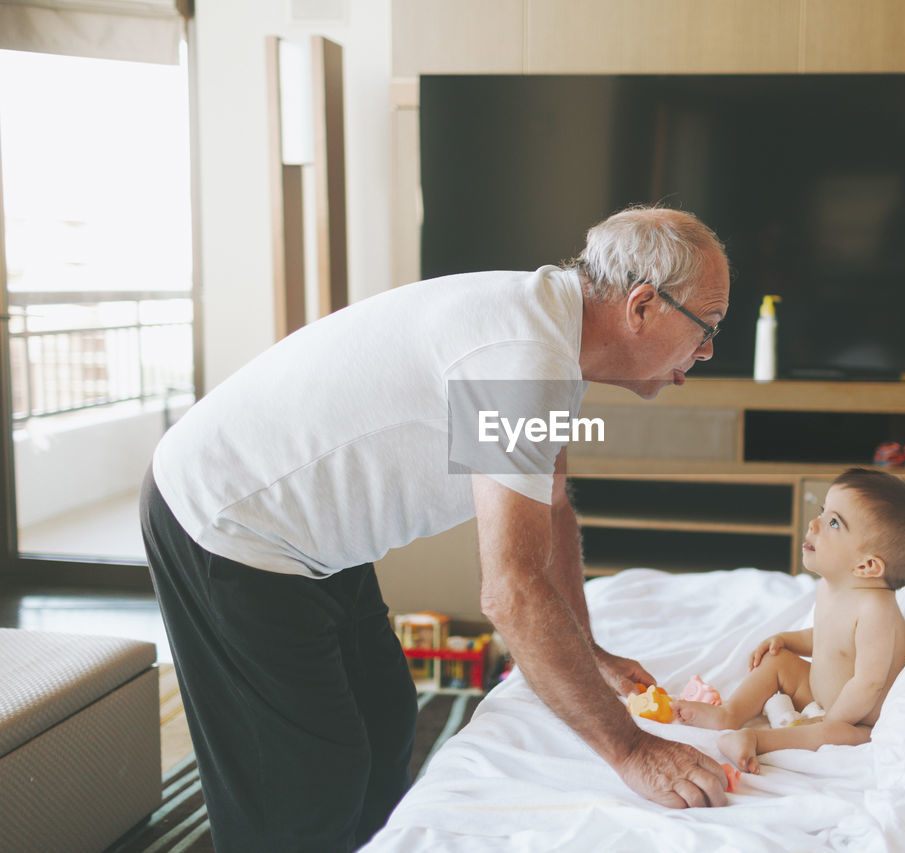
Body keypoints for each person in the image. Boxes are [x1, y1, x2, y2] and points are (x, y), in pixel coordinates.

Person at [139, 206, 732, 852]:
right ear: (642, 306)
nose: (705, 351)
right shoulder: (522, 358)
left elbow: (553, 506)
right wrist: (632, 748)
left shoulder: (554, 337)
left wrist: (588, 649)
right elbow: (511, 590)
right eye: (707, 327)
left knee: (387, 715)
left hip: (311, 537)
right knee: (304, 788)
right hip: (228, 519)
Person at [673, 468, 905, 773]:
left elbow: (869, 683)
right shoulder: (829, 587)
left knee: (838, 735)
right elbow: (827, 639)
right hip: (820, 692)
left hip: (858, 716)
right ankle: (729, 714)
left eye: (834, 523)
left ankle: (755, 739)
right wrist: (787, 640)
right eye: (823, 512)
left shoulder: (875, 611)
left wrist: (834, 717)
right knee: (778, 661)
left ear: (867, 565)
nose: (815, 523)